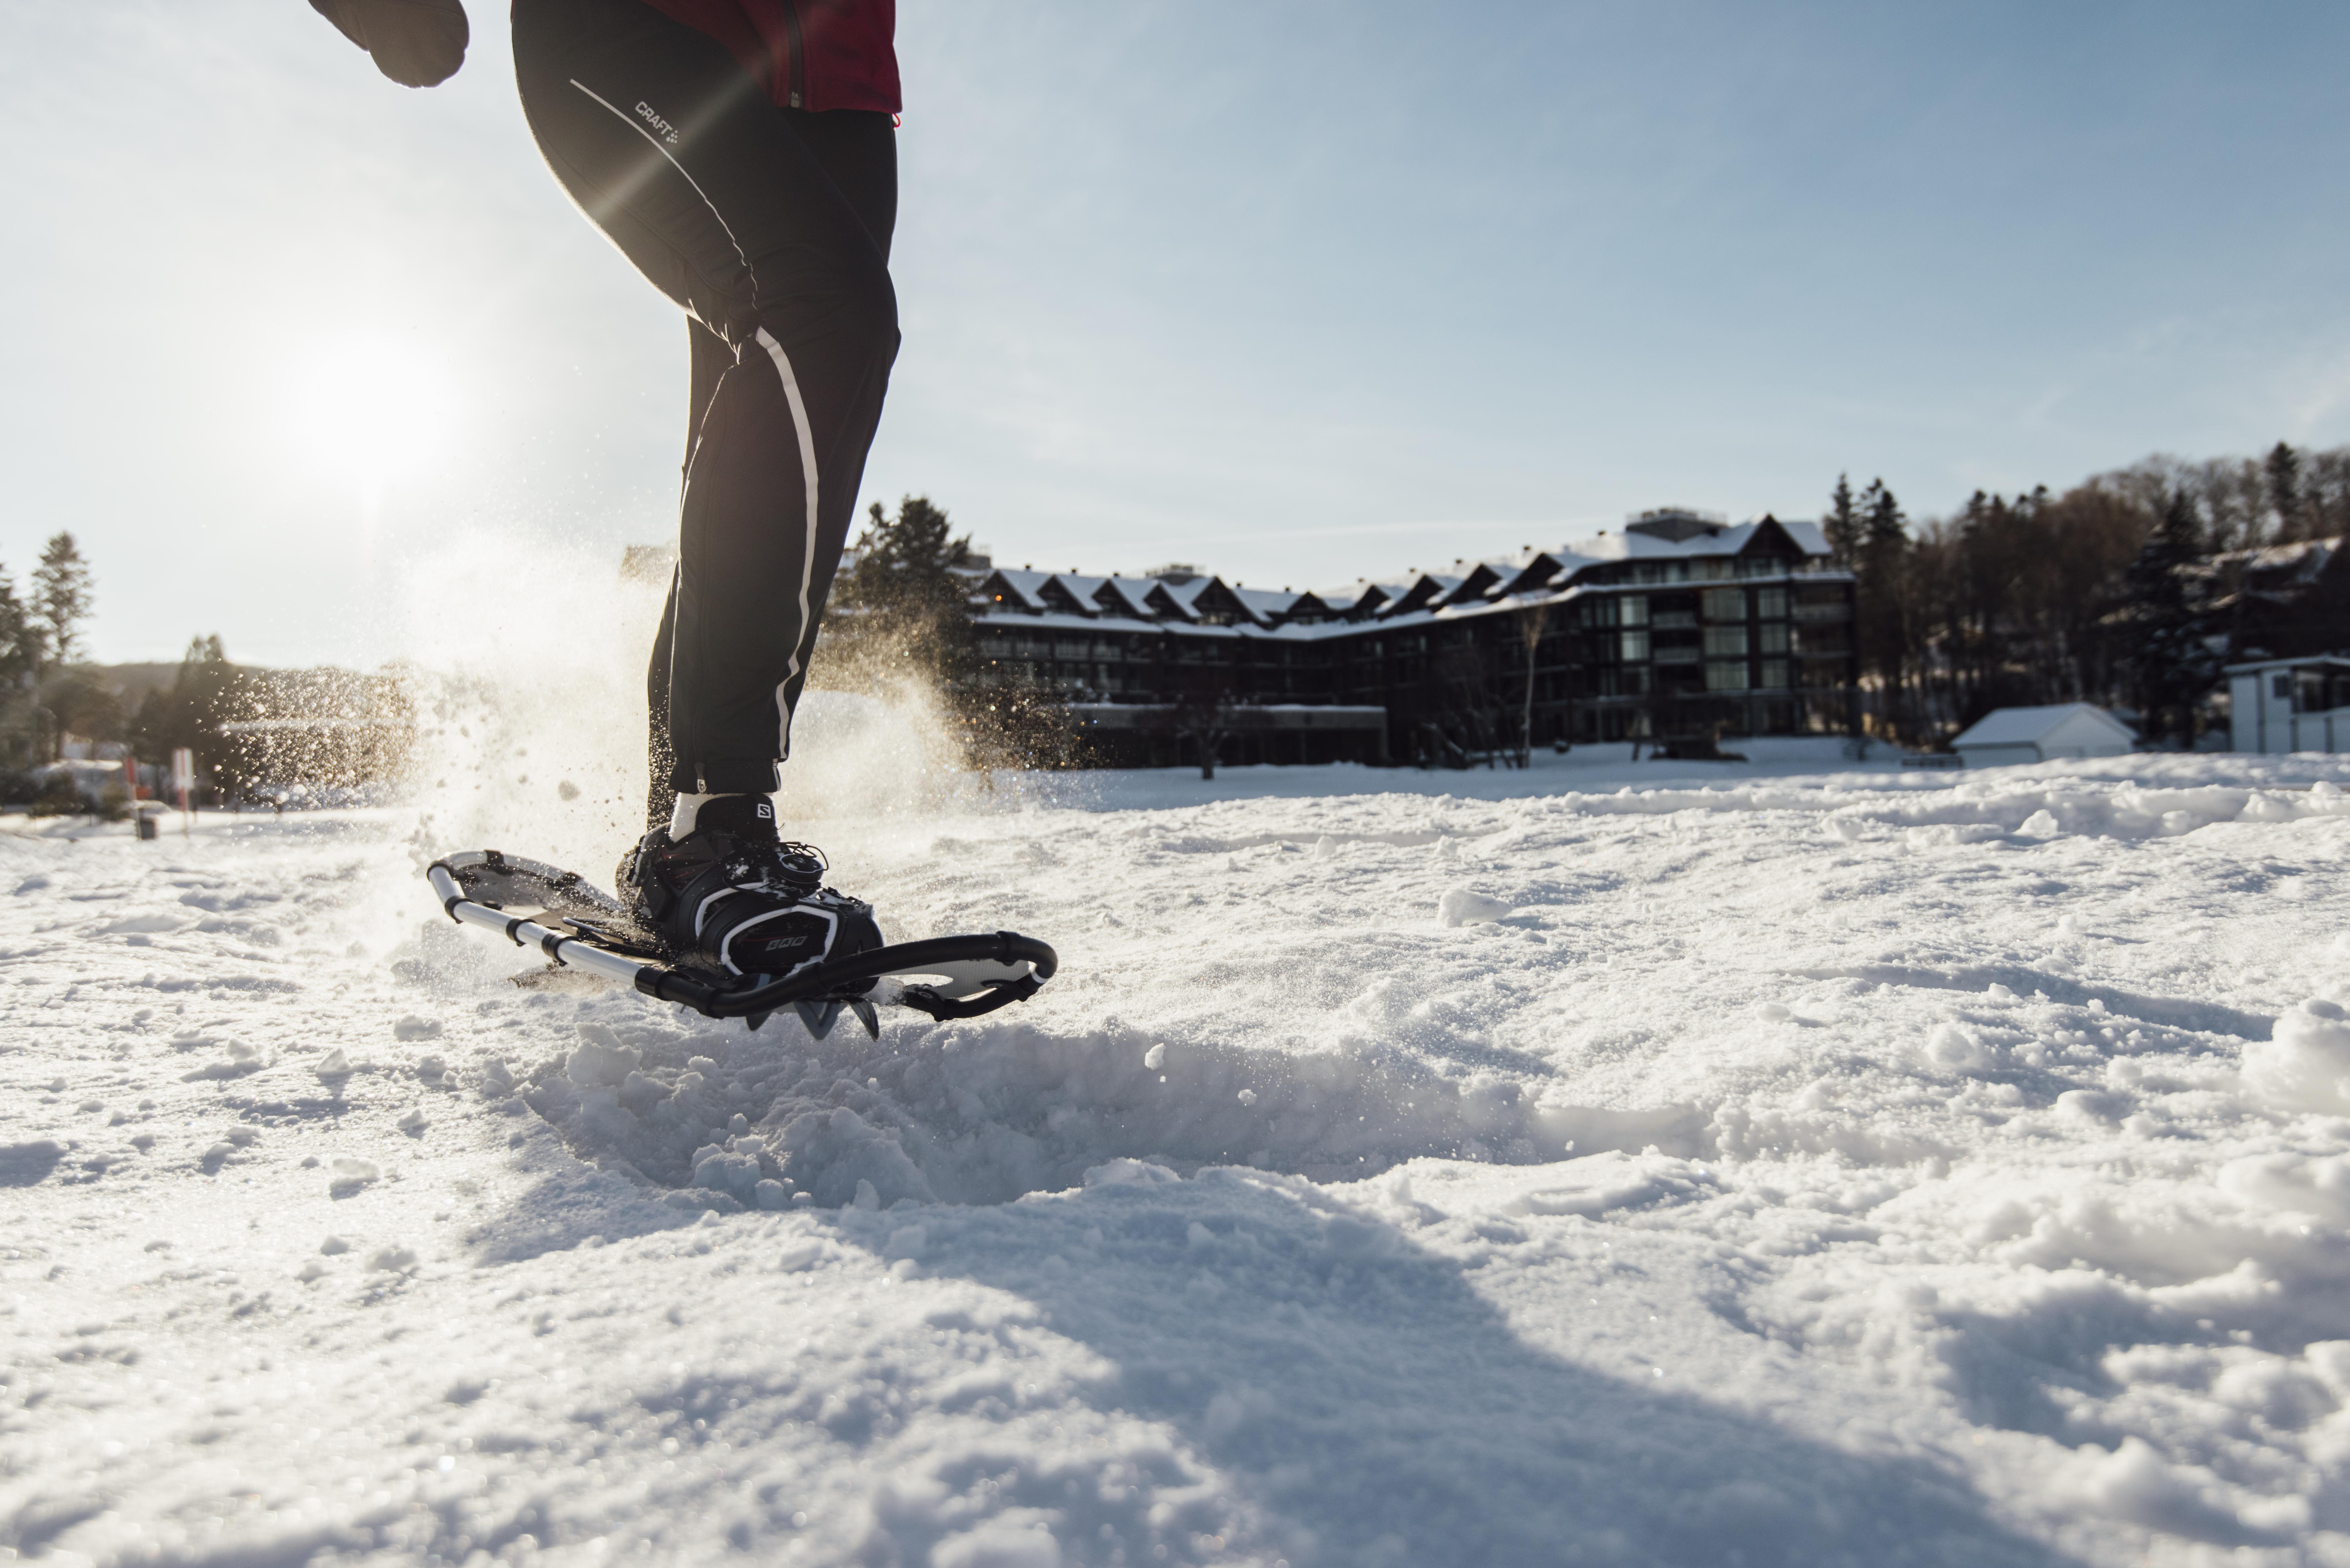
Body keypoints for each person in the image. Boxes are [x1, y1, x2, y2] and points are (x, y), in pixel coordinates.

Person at [308, 0, 896, 980]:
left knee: (795, 405)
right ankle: (716, 825)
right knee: (825, 319)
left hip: (836, 80)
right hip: (631, 26)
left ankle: (685, 840)